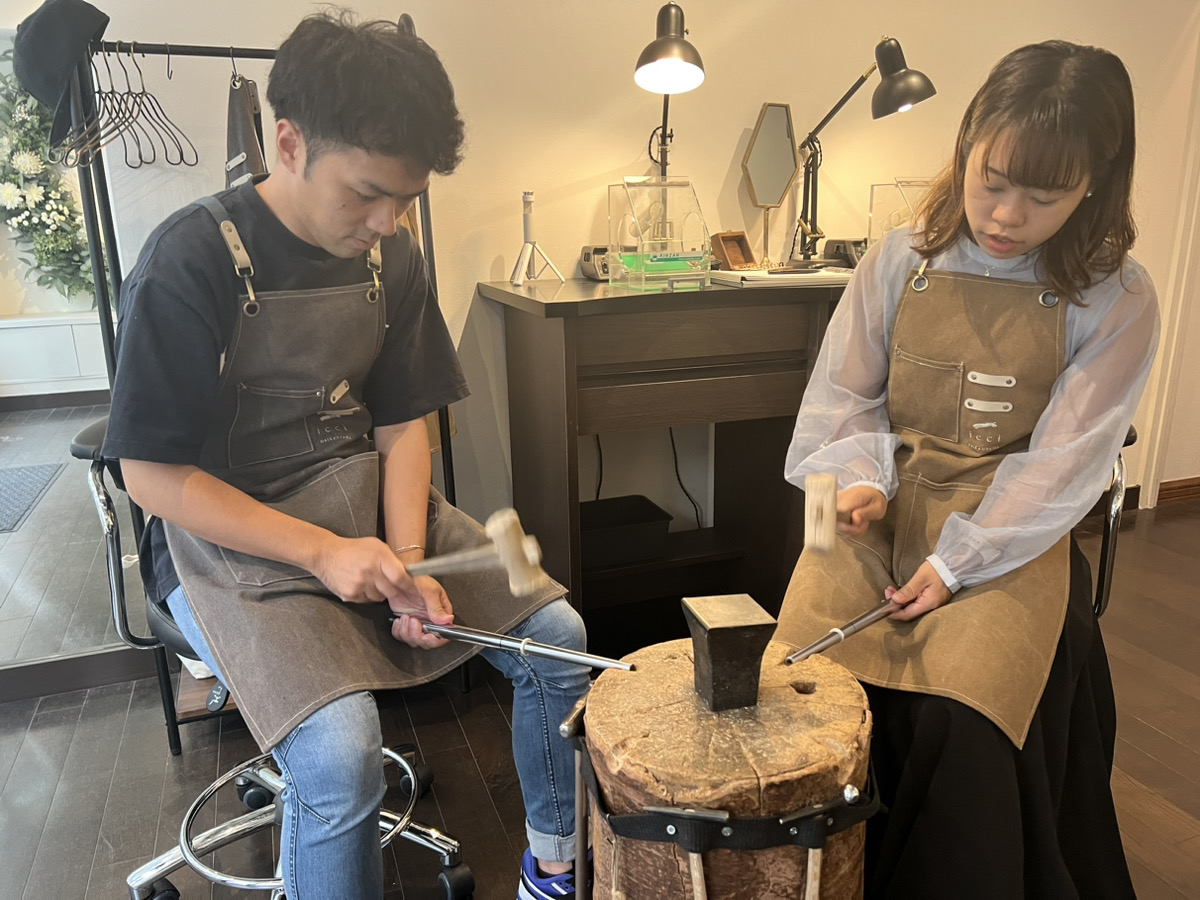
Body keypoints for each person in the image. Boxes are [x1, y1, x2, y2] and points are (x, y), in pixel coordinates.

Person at [101, 12, 590, 900]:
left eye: (405, 199)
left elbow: (403, 424)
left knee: (557, 640)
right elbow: (151, 476)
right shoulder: (188, 260)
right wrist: (325, 554)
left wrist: (407, 560)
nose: (387, 222)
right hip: (226, 541)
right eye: (367, 194)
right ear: (289, 144)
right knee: (339, 753)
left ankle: (553, 867)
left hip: (362, 506)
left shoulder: (390, 257)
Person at [775, 40, 1158, 899]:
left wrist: (957, 563)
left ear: (1095, 184)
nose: (1007, 216)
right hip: (885, 506)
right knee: (802, 678)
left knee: (962, 717)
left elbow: (1063, 464)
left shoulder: (1116, 297)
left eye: (1044, 196)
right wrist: (858, 479)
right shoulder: (899, 257)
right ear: (966, 145)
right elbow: (844, 398)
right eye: (993, 180)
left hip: (1008, 529)